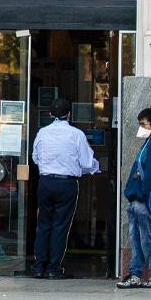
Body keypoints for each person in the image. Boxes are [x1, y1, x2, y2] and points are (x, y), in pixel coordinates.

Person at [30, 98, 100, 279]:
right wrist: (93, 168)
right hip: (66, 183)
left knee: (43, 224)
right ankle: (54, 268)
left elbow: (35, 158)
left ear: (51, 114)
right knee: (61, 226)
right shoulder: (76, 134)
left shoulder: (42, 133)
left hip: (45, 182)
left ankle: (38, 266)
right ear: (69, 114)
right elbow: (86, 162)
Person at [118, 108, 151, 289]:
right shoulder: (150, 142)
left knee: (147, 237)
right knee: (137, 238)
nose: (141, 128)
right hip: (137, 199)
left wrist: (141, 195)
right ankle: (136, 274)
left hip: (143, 200)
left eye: (143, 124)